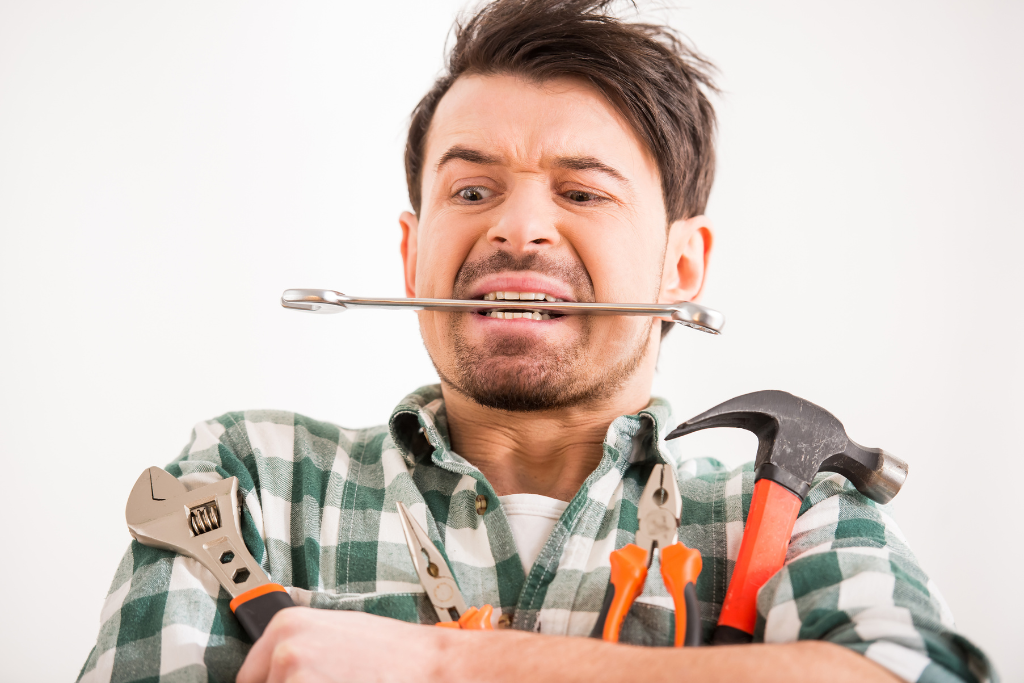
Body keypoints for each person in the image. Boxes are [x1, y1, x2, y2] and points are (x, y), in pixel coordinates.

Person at [78, 1, 992, 681]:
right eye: (472, 191)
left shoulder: (789, 511)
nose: (519, 229)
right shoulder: (251, 480)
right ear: (411, 252)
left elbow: (914, 673)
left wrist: (445, 664)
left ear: (682, 266)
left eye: (582, 192)